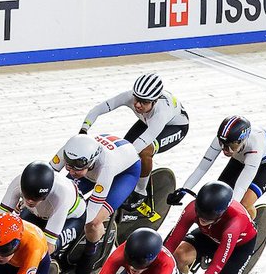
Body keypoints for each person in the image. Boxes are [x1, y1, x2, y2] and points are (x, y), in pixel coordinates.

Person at [81, 74, 189, 216]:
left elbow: (141, 144)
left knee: (144, 151)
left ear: (154, 101)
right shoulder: (131, 97)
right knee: (123, 146)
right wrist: (84, 129)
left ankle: (140, 192)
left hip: (174, 127)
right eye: (137, 99)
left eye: (144, 102)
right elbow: (98, 109)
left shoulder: (161, 113)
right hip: (147, 120)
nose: (137, 104)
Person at [50, 131, 143, 274]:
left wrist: (67, 223)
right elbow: (48, 175)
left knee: (92, 222)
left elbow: (91, 211)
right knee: (63, 197)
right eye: (69, 167)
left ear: (91, 161)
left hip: (124, 174)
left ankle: (91, 251)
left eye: (76, 168)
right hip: (91, 171)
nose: (72, 171)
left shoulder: (107, 166)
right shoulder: (70, 151)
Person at [172, 115, 266, 219]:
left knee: (243, 204)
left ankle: (252, 230)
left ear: (242, 140)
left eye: (230, 146)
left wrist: (230, 209)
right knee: (218, 196)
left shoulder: (255, 146)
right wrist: (183, 191)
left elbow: (241, 187)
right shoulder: (222, 139)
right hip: (241, 158)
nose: (225, 150)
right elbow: (202, 168)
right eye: (222, 144)